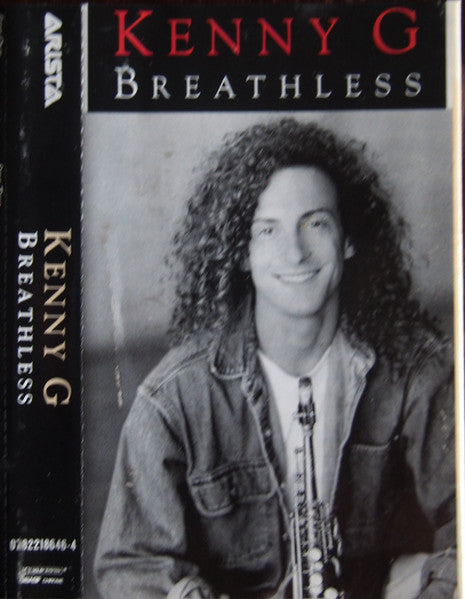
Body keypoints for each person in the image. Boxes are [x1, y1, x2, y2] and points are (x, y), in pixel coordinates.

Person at [94, 119, 456, 599]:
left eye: (316, 223)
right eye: (267, 231)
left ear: (348, 239)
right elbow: (131, 566)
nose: (295, 252)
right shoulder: (172, 400)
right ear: (240, 253)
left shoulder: (416, 374)